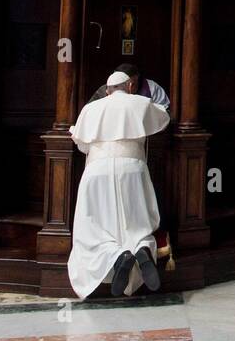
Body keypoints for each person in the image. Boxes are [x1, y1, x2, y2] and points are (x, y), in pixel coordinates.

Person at [68, 70, 169, 299]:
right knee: (137, 220)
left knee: (94, 226)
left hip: (97, 170)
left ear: (107, 90)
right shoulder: (141, 103)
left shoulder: (91, 109)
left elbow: (83, 144)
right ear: (130, 86)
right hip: (132, 169)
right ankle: (142, 248)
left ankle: (118, 255)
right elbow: (163, 118)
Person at [87, 63, 170, 109]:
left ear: (137, 77)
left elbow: (164, 111)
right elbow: (89, 109)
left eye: (133, 84)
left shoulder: (152, 87)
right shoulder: (105, 89)